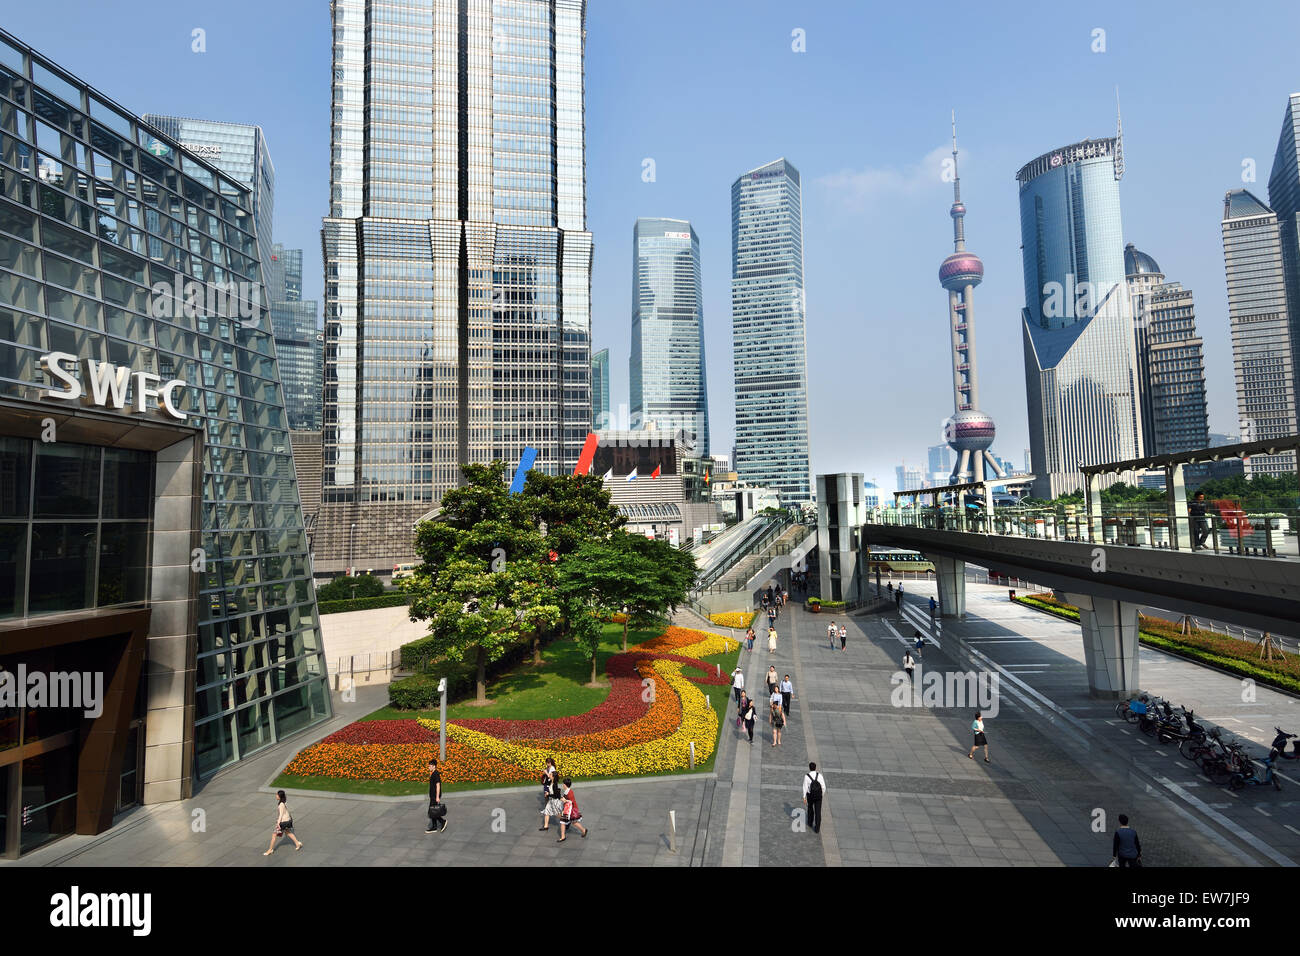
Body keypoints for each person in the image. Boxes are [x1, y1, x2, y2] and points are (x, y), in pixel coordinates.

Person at [263, 790, 303, 854]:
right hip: (287, 821)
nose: (276, 796)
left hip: (283, 823)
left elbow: (281, 815)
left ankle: (270, 850)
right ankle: (297, 843)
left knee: (274, 835)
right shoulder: (284, 802)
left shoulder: (281, 804)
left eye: (277, 795)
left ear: (280, 796)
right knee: (287, 832)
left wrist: (278, 823)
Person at [802, 762, 826, 834]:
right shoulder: (820, 776)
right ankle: (817, 828)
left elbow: (805, 787)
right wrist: (822, 795)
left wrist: (804, 797)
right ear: (815, 768)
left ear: (809, 768)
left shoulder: (806, 776)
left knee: (810, 808)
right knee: (818, 812)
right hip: (818, 796)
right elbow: (823, 787)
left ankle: (810, 822)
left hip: (810, 795)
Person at [425, 758, 448, 833]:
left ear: (434, 766)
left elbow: (438, 785)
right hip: (433, 796)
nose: (428, 767)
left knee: (433, 811)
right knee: (432, 811)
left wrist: (437, 797)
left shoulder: (436, 774)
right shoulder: (433, 773)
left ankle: (442, 822)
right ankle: (434, 827)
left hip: (435, 796)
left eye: (430, 766)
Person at [539, 767, 565, 832]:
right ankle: (546, 826)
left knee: (558, 815)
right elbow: (545, 784)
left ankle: (567, 820)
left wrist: (548, 794)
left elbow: (556, 795)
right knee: (547, 812)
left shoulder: (554, 785)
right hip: (551, 801)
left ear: (553, 777)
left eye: (550, 775)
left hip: (555, 802)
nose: (549, 775)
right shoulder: (551, 782)